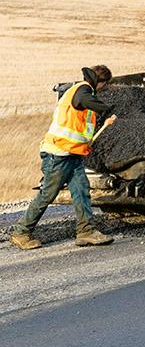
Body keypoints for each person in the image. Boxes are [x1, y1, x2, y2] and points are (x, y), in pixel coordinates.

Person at [10, 65, 118, 249]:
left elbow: (81, 129)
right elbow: (85, 100)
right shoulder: (82, 90)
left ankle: (86, 232)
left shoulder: (82, 92)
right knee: (48, 194)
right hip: (58, 154)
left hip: (72, 154)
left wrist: (103, 123)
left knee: (81, 191)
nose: (103, 89)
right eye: (104, 85)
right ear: (100, 82)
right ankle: (21, 232)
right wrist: (107, 109)